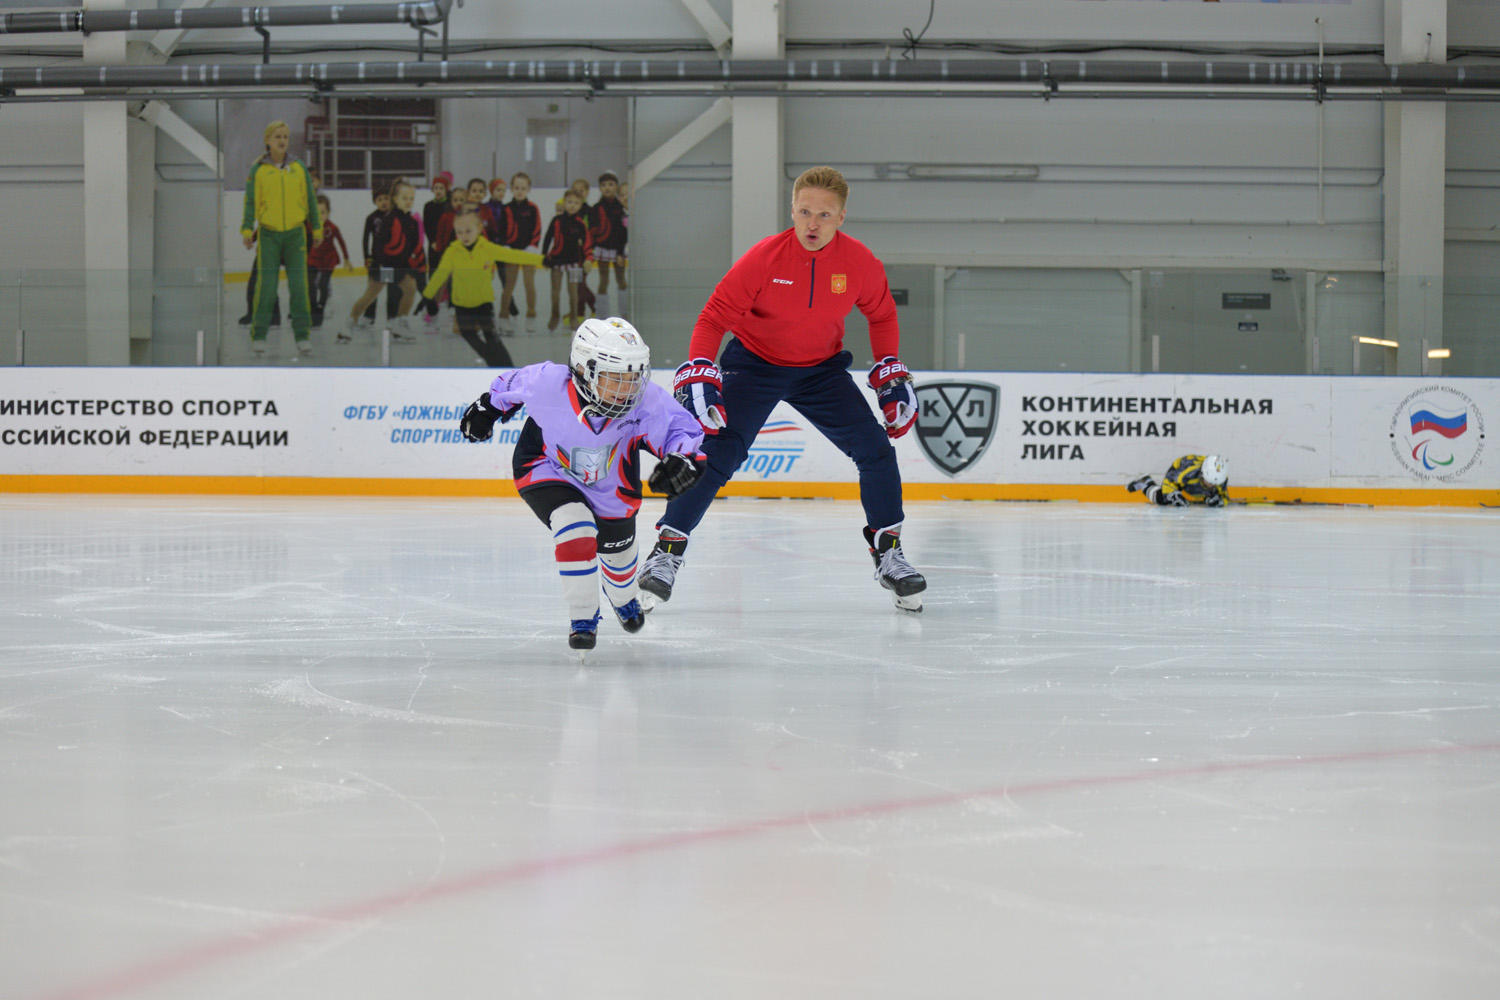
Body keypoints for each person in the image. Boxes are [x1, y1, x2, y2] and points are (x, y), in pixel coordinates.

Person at [636, 165, 926, 612]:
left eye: (825, 215)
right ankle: (666, 554)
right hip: (754, 364)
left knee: (875, 450)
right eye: (805, 211)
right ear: (792, 210)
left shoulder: (860, 264)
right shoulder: (765, 258)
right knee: (718, 454)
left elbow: (882, 315)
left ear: (842, 217)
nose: (813, 223)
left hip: (820, 371)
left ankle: (889, 554)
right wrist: (699, 367)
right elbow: (714, 316)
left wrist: (889, 366)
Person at [457, 317, 708, 651]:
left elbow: (682, 430)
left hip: (611, 488)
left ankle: (622, 597)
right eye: (616, 378)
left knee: (619, 565)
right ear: (584, 370)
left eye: (634, 377)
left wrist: (684, 458)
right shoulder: (549, 383)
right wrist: (487, 407)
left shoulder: (644, 400)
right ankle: (582, 616)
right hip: (546, 467)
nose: (628, 388)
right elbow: (510, 385)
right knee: (573, 528)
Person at [413, 207, 542, 367]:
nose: (463, 236)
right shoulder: (452, 251)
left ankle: (509, 369)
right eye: (459, 232)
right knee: (469, 336)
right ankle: (495, 365)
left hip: (483, 304)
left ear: (479, 228)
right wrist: (427, 296)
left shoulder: (487, 248)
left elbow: (514, 255)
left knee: (492, 338)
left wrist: (543, 260)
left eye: (468, 231)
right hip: (461, 306)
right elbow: (440, 275)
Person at [240, 120, 320, 356]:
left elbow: (311, 200)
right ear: (267, 140)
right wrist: (247, 229)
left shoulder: (299, 167)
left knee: (299, 287)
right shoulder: (258, 170)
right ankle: (260, 335)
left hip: (296, 234)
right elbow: (251, 202)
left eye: (285, 136)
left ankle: (302, 335)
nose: (282, 140)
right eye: (277, 136)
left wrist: (316, 228)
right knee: (266, 287)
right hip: (268, 235)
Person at [341, 178, 423, 344]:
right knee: (371, 295)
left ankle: (400, 322)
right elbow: (378, 243)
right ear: (395, 199)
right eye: (404, 198)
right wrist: (377, 264)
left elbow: (413, 246)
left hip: (400, 266)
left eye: (411, 198)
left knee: (410, 289)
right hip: (384, 265)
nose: (409, 202)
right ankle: (349, 323)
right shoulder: (389, 219)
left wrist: (414, 264)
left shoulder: (411, 221)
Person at [497, 172, 542, 333]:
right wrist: (505, 247)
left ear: (528, 189)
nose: (520, 191)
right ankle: (503, 316)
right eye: (516, 187)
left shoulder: (533, 209)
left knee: (529, 284)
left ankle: (531, 315)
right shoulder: (506, 209)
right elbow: (501, 231)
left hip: (528, 252)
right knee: (509, 285)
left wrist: (533, 246)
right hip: (511, 252)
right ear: (512, 188)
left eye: (523, 188)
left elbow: (537, 229)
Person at [543, 190, 592, 331]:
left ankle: (573, 317)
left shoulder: (581, 223)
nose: (572, 205)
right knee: (555, 291)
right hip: (557, 261)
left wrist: (588, 258)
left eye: (576, 203)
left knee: (573, 293)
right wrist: (544, 256)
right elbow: (548, 238)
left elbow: (587, 242)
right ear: (564, 203)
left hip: (574, 262)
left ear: (580, 205)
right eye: (570, 202)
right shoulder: (556, 221)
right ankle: (555, 314)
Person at [306, 194, 352, 328]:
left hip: (328, 260)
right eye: (316, 212)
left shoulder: (332, 227)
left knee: (323, 284)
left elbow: (341, 242)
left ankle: (321, 307)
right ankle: (313, 307)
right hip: (313, 259)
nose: (320, 216)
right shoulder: (309, 227)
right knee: (310, 284)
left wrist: (347, 258)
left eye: (323, 212)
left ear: (329, 212)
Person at [588, 170, 629, 317]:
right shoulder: (596, 208)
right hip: (602, 249)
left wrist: (619, 252)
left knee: (621, 280)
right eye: (604, 185)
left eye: (611, 184)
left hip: (618, 250)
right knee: (603, 280)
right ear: (599, 188)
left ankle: (625, 313)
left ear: (616, 186)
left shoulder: (622, 208)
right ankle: (602, 316)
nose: (607, 188)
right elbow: (592, 231)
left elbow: (623, 234)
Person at [1128, 455, 1229, 507]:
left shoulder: (1220, 478)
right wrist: (1171, 495)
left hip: (1192, 480)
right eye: (1209, 482)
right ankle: (1145, 482)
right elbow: (1169, 481)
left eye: (1214, 485)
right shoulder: (1186, 473)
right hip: (1178, 469)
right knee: (1162, 499)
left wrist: (1219, 501)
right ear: (1202, 474)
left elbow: (1225, 497)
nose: (1211, 486)